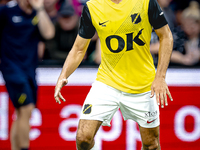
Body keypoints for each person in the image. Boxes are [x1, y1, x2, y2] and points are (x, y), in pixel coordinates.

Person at [54, 0, 173, 149]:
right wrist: (63, 75)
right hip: (107, 82)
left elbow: (166, 36)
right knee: (83, 138)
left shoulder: (145, 2)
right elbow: (79, 49)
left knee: (151, 145)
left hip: (142, 85)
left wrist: (160, 77)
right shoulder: (92, 7)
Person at [0, 0, 55, 150]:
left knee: (22, 113)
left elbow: (49, 33)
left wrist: (40, 9)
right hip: (12, 69)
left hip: (29, 70)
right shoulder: (6, 11)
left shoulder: (37, 14)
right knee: (27, 108)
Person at [170, 1, 200, 66]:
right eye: (186, 24)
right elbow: (165, 52)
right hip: (178, 70)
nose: (188, 28)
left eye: (191, 25)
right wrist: (182, 58)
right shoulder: (177, 35)